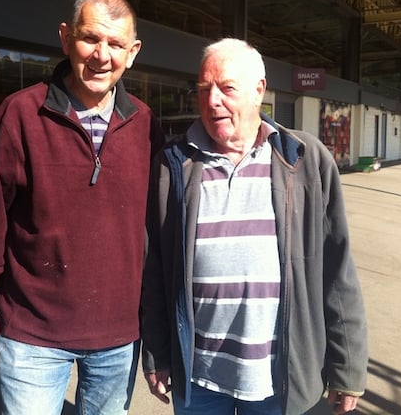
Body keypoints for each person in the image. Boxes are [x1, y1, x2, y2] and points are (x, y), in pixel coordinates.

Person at [0, 0, 164, 415]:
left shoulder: (144, 124)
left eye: (117, 44)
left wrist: (155, 324)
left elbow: (157, 233)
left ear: (133, 52)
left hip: (118, 336)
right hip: (31, 332)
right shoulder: (20, 115)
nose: (102, 55)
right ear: (66, 38)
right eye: (91, 38)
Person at [140, 38, 368, 415]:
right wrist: (158, 353)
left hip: (278, 379)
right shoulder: (173, 164)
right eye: (203, 89)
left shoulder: (306, 159)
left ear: (259, 90)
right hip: (198, 376)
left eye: (227, 88)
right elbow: (156, 269)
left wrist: (348, 367)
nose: (212, 100)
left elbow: (337, 271)